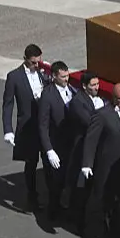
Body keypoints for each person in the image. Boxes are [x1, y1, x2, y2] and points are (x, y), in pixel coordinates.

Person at [81, 83, 120, 238]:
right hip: (109, 166)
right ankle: (111, 230)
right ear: (113, 98)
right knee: (110, 200)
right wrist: (87, 163)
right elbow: (91, 139)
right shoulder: (102, 115)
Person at [2, 44, 48, 211]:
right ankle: (32, 194)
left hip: (45, 124)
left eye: (39, 62)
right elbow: (8, 104)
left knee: (49, 159)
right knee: (31, 162)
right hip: (28, 126)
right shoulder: (14, 77)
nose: (37, 65)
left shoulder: (43, 74)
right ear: (26, 60)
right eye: (34, 63)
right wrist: (8, 129)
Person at [67, 71, 105, 235]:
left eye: (97, 84)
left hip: (96, 149)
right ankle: (78, 220)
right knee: (81, 188)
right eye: (93, 85)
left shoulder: (97, 100)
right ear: (84, 86)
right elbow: (90, 123)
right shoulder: (78, 102)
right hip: (82, 151)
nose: (97, 87)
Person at [38, 60, 75, 221]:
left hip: (70, 143)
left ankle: (66, 207)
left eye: (67, 76)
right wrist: (49, 150)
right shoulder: (48, 95)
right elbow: (43, 124)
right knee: (56, 182)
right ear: (54, 76)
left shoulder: (72, 91)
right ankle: (53, 210)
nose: (66, 79)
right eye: (62, 77)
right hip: (56, 145)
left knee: (69, 179)